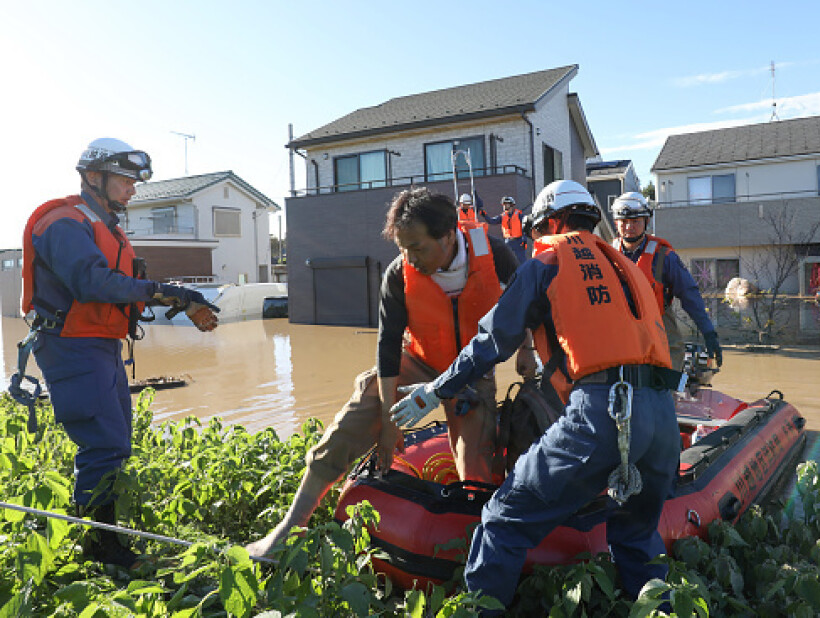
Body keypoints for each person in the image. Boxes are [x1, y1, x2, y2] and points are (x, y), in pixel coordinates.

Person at [390, 180, 683, 610]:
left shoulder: (547, 260)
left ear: (552, 222)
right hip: (661, 421)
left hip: (601, 414)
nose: (532, 240)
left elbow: (492, 340)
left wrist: (437, 389)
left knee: (502, 521)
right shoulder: (627, 265)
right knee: (638, 535)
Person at [246, 187, 520, 557]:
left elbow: (528, 306)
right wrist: (389, 427)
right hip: (417, 360)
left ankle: (472, 546)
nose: (410, 257)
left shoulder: (496, 255)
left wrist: (529, 353)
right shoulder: (399, 273)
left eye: (418, 247)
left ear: (446, 235)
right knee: (354, 419)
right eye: (402, 247)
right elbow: (388, 346)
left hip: (470, 371)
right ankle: (289, 528)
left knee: (475, 461)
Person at [21, 138, 219, 568]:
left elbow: (121, 286)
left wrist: (182, 301)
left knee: (117, 443)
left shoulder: (104, 224)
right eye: (126, 181)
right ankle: (100, 551)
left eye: (135, 182)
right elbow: (93, 283)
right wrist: (169, 292)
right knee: (103, 445)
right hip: (72, 346)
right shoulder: (64, 223)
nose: (133, 190)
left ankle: (106, 540)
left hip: (101, 345)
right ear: (95, 177)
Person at [610, 192, 722, 370]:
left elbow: (689, 294)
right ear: (616, 223)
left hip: (658, 324)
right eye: (624, 222)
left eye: (635, 221)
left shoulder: (664, 257)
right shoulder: (606, 255)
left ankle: (671, 395)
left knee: (670, 367)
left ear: (646, 222)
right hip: (620, 326)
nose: (629, 226)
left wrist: (708, 332)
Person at [479, 196, 529, 263]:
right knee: (507, 261)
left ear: (511, 205)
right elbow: (492, 221)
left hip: (518, 242)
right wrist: (485, 215)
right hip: (508, 242)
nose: (504, 206)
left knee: (521, 261)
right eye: (503, 204)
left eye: (506, 204)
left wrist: (524, 240)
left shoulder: (519, 215)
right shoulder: (502, 216)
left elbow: (524, 227)